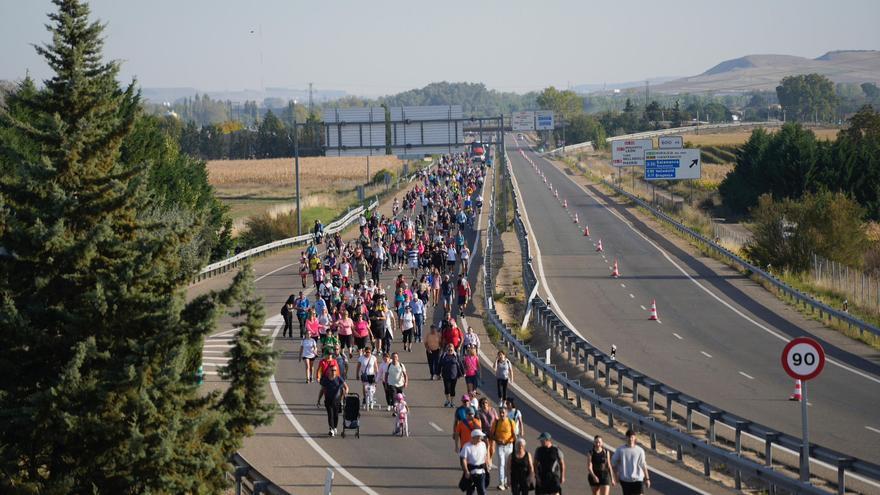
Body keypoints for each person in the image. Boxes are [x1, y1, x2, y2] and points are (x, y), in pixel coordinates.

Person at [611, 430, 650, 495]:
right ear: (626, 438)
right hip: (625, 480)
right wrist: (616, 475)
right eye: (628, 437)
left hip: (638, 479)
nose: (630, 439)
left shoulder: (640, 450)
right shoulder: (620, 450)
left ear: (635, 438)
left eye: (632, 437)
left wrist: (647, 479)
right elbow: (613, 463)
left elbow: (643, 465)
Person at [492, 405, 517, 490]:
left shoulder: (511, 422)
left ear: (506, 413)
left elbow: (514, 435)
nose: (502, 414)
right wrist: (498, 440)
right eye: (500, 413)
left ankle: (506, 482)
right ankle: (501, 482)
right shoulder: (496, 422)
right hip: (500, 446)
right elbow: (492, 434)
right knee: (501, 464)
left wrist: (512, 444)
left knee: (507, 464)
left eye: (503, 413)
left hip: (509, 446)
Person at [459, 428, 489, 495]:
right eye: (480, 436)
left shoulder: (483, 444)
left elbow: (485, 455)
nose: (481, 438)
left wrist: (486, 465)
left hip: (481, 472)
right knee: (470, 491)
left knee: (482, 491)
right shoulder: (467, 446)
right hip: (471, 472)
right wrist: (466, 471)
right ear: (475, 437)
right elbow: (463, 459)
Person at [320, 366, 348, 437]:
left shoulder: (338, 378)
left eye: (335, 370)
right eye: (332, 370)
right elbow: (322, 390)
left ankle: (335, 427)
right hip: (328, 400)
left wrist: (344, 395)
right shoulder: (326, 379)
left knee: (336, 415)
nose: (334, 372)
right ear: (329, 371)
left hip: (337, 401)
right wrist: (319, 399)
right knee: (330, 415)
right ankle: (331, 429)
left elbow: (346, 387)